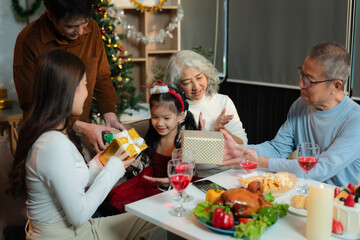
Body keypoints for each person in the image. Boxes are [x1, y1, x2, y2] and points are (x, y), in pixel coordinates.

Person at [7, 49, 157, 239]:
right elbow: (79, 215)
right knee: (156, 223)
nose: (87, 92)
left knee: (155, 217)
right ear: (68, 90)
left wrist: (100, 163)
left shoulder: (55, 134)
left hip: (83, 230)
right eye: (85, 84)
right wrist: (115, 166)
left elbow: (70, 181)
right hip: (70, 235)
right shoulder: (52, 145)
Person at [221, 42, 360, 187]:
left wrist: (261, 161)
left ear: (336, 85)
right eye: (301, 74)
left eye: (309, 80)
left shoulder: (355, 120)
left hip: (339, 201)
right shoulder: (300, 105)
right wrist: (240, 151)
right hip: (300, 190)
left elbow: (319, 170)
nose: (300, 84)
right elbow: (277, 149)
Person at [13, 0, 123, 153]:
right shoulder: (28, 40)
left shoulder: (91, 29)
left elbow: (102, 77)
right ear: (51, 16)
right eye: (70, 26)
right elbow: (31, 102)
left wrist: (110, 114)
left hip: (79, 135)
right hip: (45, 137)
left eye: (84, 23)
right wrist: (80, 127)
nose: (80, 31)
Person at [108, 83, 199, 213]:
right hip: (151, 183)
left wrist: (171, 180)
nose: (160, 123)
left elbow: (190, 172)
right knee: (123, 201)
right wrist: (134, 162)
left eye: (166, 118)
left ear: (180, 116)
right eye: (155, 117)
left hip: (176, 188)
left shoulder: (184, 141)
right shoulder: (153, 137)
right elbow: (144, 165)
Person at [164, 50, 247, 177]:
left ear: (206, 74)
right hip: (196, 177)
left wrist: (222, 130)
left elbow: (243, 145)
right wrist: (210, 136)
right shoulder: (174, 110)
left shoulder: (223, 101)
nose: (196, 86)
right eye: (187, 82)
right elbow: (179, 158)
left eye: (199, 77)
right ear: (176, 85)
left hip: (231, 173)